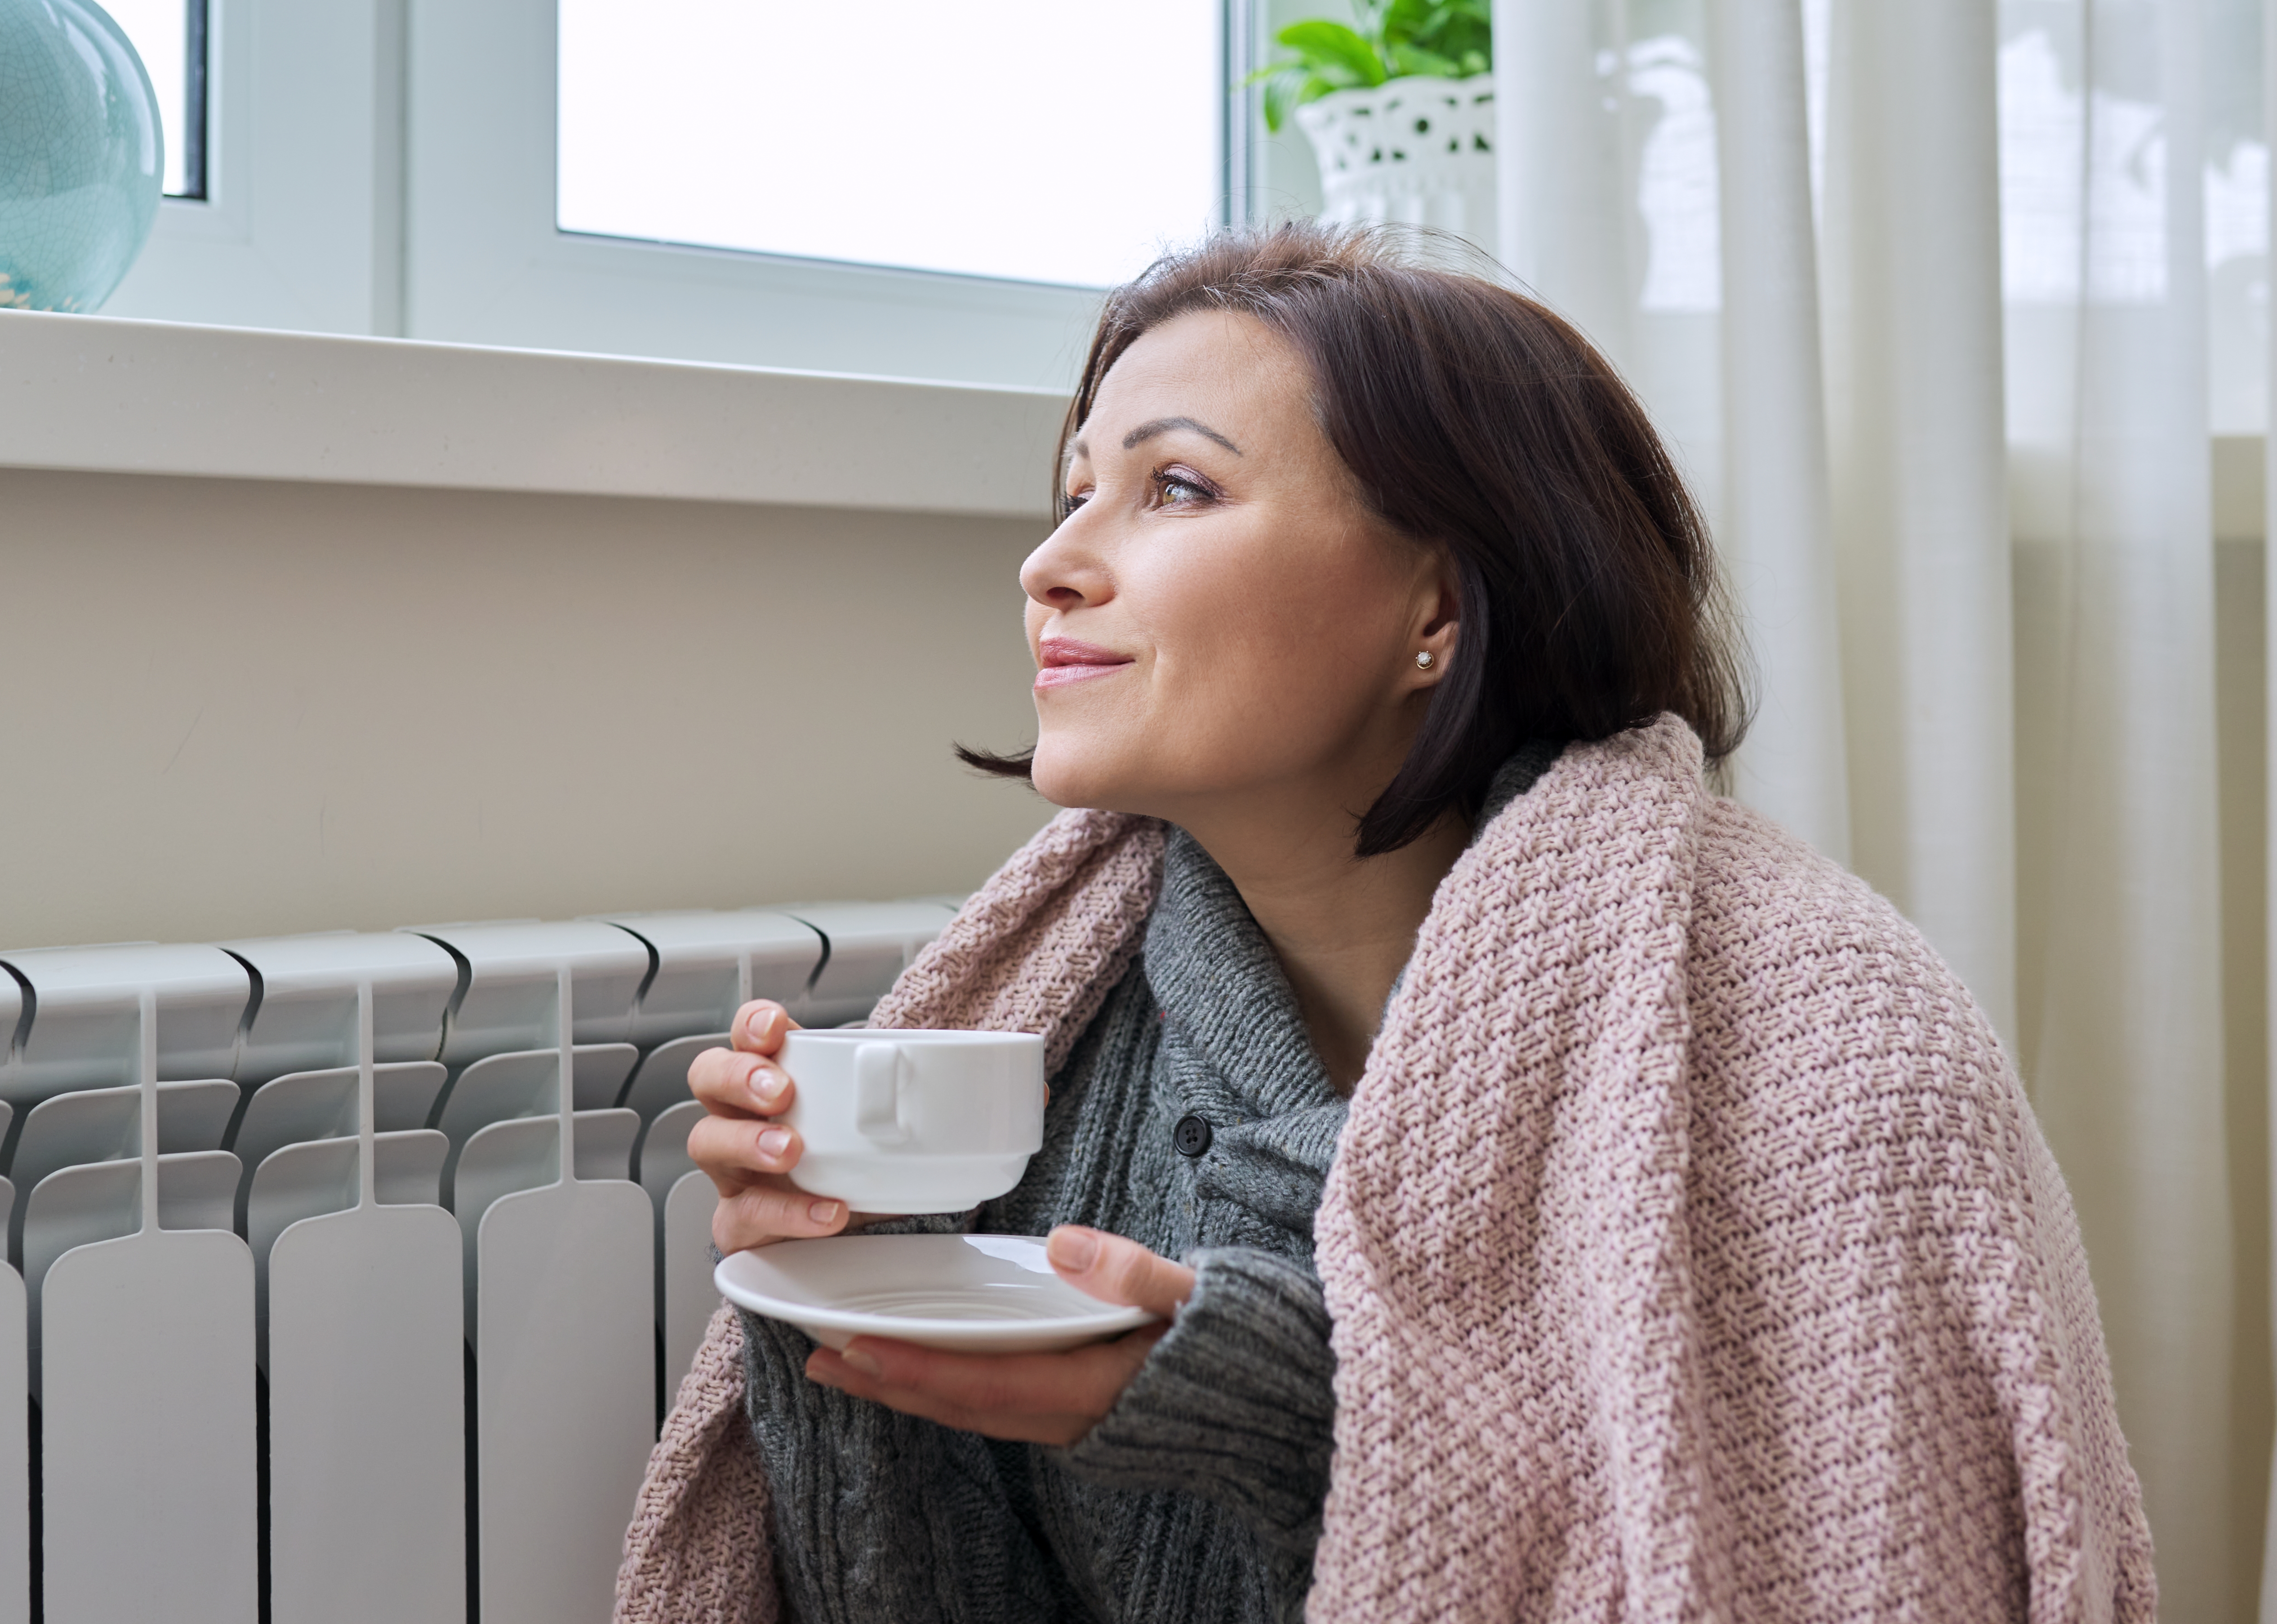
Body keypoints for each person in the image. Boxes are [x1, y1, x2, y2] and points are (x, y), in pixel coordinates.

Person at [614, 222, 2154, 1622]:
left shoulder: (1829, 1060)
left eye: (1177, 487)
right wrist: (845, 1297)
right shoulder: (1056, 1048)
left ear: (1438, 608)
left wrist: (1287, 1403)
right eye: (1077, 490)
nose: (1049, 562)